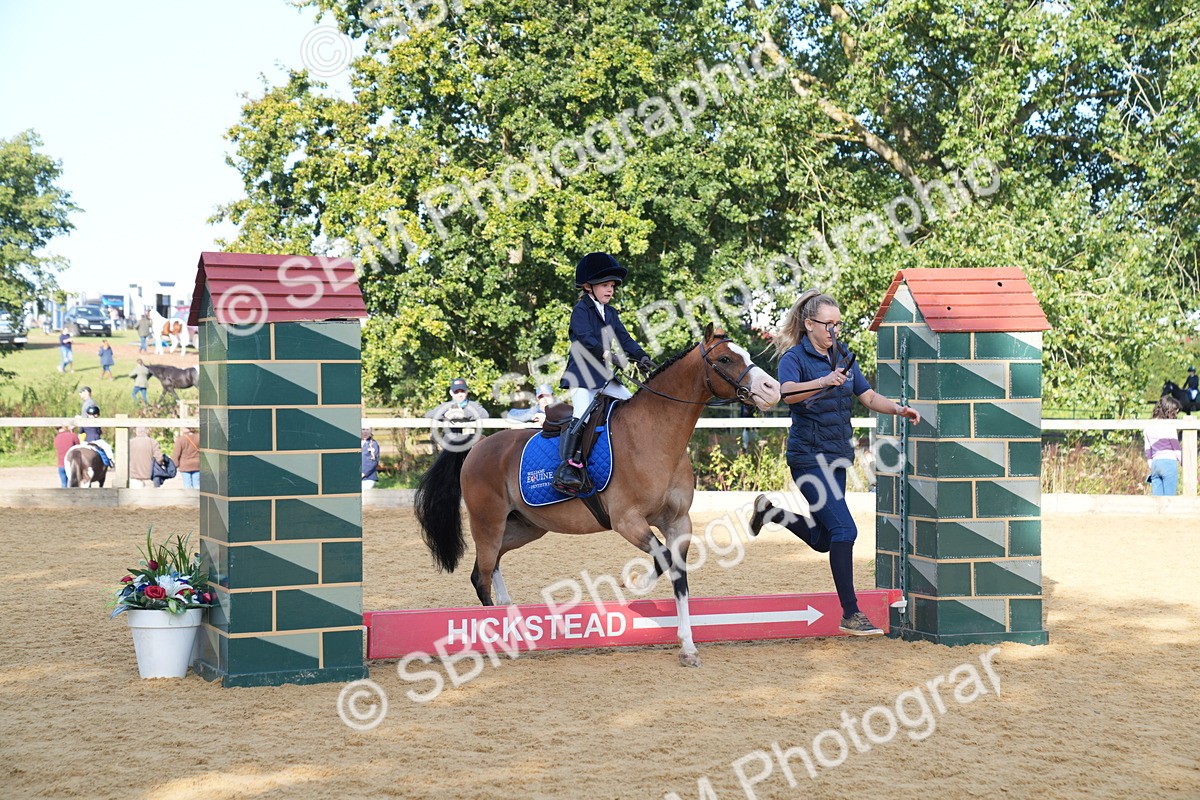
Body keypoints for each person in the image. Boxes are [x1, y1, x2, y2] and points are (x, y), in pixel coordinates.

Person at [749, 289, 921, 636]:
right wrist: (823, 381)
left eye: (837, 324)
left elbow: (867, 396)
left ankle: (771, 513)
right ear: (809, 324)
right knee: (845, 531)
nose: (834, 330)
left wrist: (898, 408)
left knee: (824, 539)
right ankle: (851, 613)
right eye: (828, 324)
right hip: (808, 459)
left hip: (838, 458)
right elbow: (787, 393)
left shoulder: (843, 355)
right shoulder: (794, 358)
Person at [554, 252, 654, 494]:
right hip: (582, 374)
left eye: (612, 286)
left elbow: (624, 339)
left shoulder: (610, 313)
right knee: (582, 412)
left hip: (603, 376)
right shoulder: (581, 310)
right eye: (605, 285)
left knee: (631, 403)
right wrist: (608, 354)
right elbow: (586, 339)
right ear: (588, 286)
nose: (610, 290)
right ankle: (567, 468)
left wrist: (642, 357)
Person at [425, 378, 490, 451]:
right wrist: (445, 414)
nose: (460, 395)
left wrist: (464, 414)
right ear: (451, 393)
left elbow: (485, 414)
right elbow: (428, 415)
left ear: (467, 392)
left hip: (469, 445)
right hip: (450, 445)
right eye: (456, 392)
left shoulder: (473, 405)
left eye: (462, 391)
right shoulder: (446, 406)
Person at [1145, 396, 1182, 496]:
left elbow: (1147, 449)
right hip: (1169, 463)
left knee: (1157, 500)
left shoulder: (1148, 425)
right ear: (1169, 411)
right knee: (1169, 499)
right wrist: (1183, 462)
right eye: (1175, 413)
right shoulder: (1169, 426)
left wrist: (1151, 464)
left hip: (1155, 463)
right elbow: (1176, 448)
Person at [53, 424, 80, 488]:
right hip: (71, 464)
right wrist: (72, 432)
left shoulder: (56, 438)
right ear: (63, 426)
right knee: (73, 485)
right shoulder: (72, 435)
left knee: (64, 484)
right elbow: (78, 447)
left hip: (61, 464)